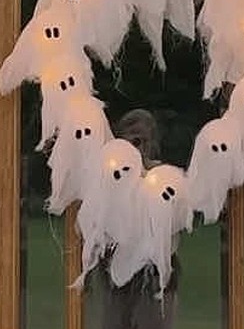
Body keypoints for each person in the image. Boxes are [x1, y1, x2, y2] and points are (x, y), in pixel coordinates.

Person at [94, 108, 180, 329]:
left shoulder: (165, 177)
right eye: (130, 142)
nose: (137, 149)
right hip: (115, 270)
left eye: (142, 142)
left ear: (152, 144)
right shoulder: (107, 177)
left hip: (153, 275)